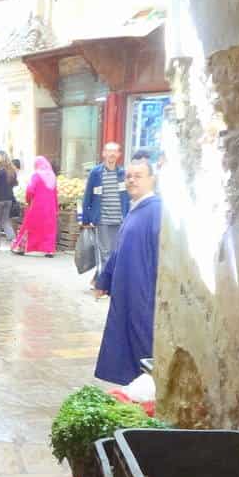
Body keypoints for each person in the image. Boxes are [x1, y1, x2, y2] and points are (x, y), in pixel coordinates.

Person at [95, 152, 162, 385]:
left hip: (143, 292)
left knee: (142, 341)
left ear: (152, 179)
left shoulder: (156, 211)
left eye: (139, 176)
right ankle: (135, 388)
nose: (132, 180)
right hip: (127, 290)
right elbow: (119, 249)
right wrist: (104, 279)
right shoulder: (136, 209)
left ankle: (148, 390)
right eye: (129, 176)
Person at [81, 142, 129, 286]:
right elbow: (87, 196)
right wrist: (86, 218)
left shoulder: (123, 174)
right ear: (104, 154)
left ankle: (99, 279)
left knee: (115, 253)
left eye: (115, 151)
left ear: (119, 155)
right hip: (102, 220)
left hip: (120, 219)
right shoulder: (96, 173)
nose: (112, 154)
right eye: (109, 151)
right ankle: (104, 285)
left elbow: (127, 197)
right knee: (105, 253)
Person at [12, 156, 59, 257]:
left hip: (37, 206)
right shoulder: (53, 176)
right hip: (50, 207)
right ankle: (49, 250)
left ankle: (21, 247)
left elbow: (30, 190)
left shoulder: (36, 175)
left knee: (29, 226)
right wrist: (56, 208)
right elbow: (55, 194)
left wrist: (28, 201)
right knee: (49, 228)